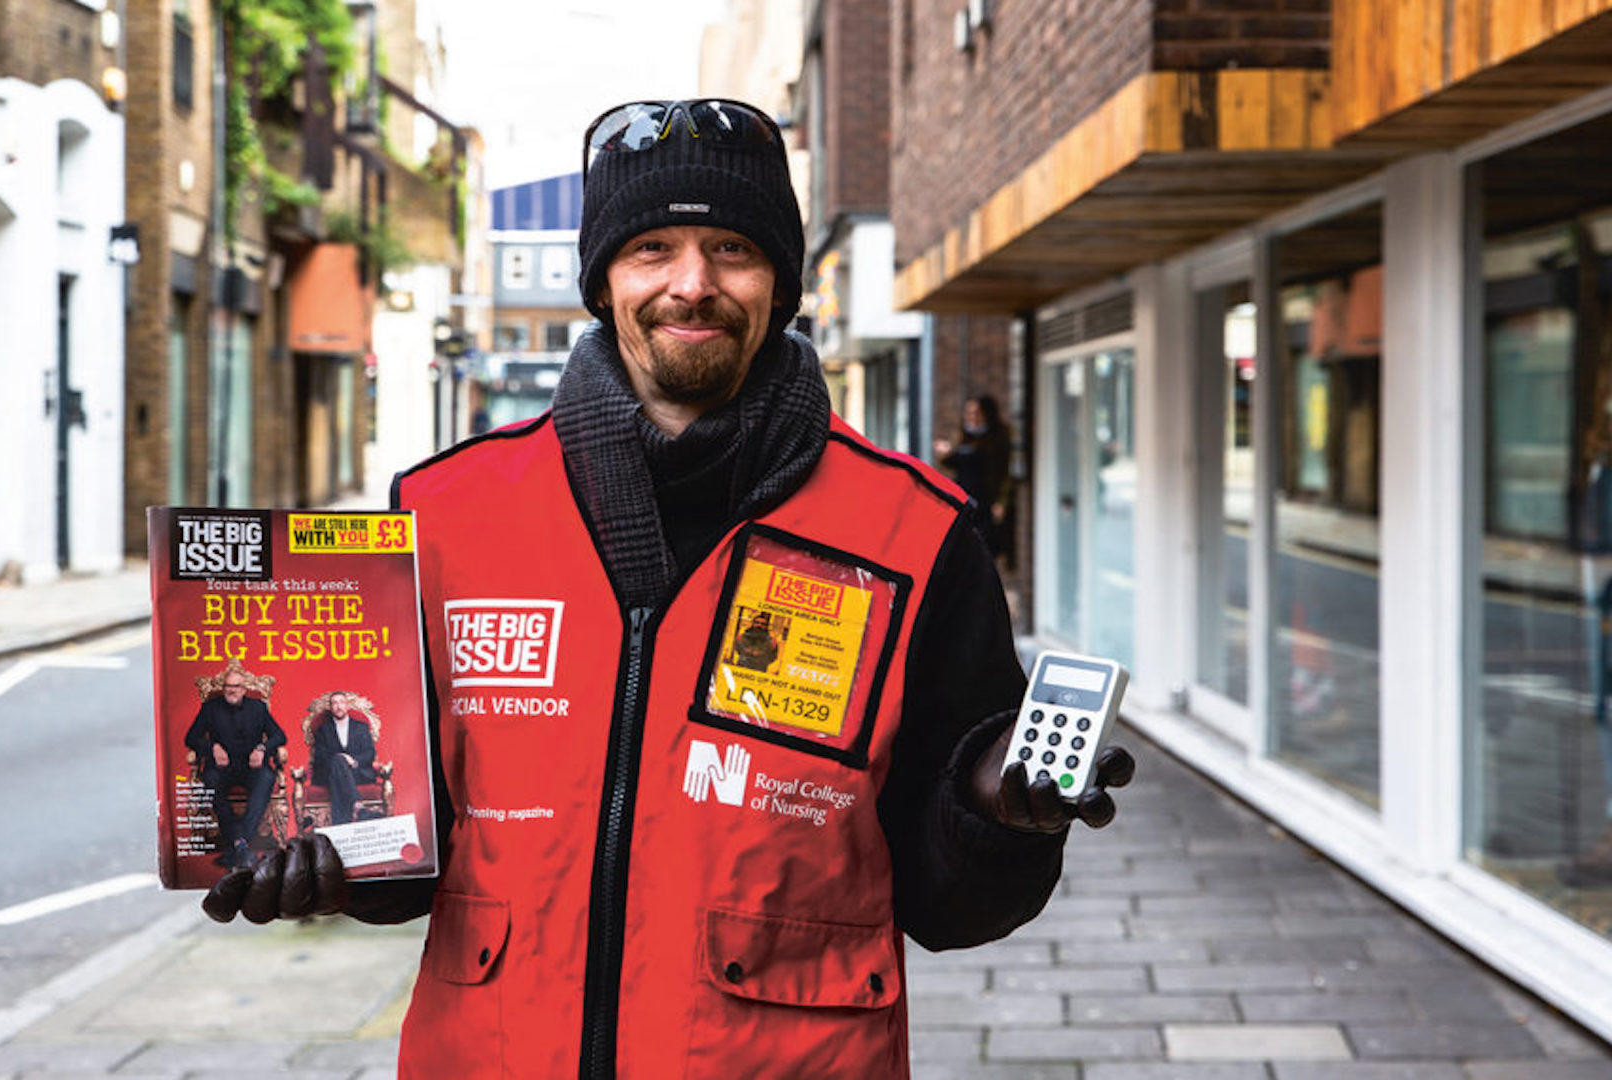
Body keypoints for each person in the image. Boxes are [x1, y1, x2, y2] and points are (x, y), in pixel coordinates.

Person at [203, 97, 1134, 1078]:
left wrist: (992, 811)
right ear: (603, 280)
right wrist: (328, 867)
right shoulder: (443, 512)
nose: (692, 285)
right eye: (652, 248)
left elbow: (951, 910)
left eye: (733, 247)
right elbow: (414, 850)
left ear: (783, 280)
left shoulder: (917, 531)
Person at [183, 668, 286, 870]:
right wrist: (211, 748)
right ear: (223, 689)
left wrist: (262, 749)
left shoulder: (258, 707)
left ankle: (237, 843)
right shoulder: (210, 708)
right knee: (209, 781)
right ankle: (243, 844)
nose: (232, 691)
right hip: (222, 768)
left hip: (251, 767)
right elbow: (191, 737)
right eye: (228, 686)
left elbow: (279, 736)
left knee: (266, 778)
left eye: (236, 686)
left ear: (244, 689)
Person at [934, 394, 1014, 561]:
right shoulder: (964, 437)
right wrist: (944, 455)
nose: (972, 417)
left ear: (986, 414)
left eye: (976, 413)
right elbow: (957, 463)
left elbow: (1005, 472)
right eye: (969, 413)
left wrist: (1001, 501)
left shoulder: (997, 439)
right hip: (964, 501)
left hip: (985, 503)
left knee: (984, 548)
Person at [308, 691, 376, 825]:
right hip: (329, 774)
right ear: (330, 707)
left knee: (339, 771)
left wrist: (353, 761)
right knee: (338, 761)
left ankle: (340, 824)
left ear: (347, 705)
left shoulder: (361, 727)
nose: (338, 706)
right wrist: (341, 759)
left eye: (341, 702)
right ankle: (358, 806)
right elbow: (320, 757)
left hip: (357, 772)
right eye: (334, 703)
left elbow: (370, 753)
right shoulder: (323, 730)